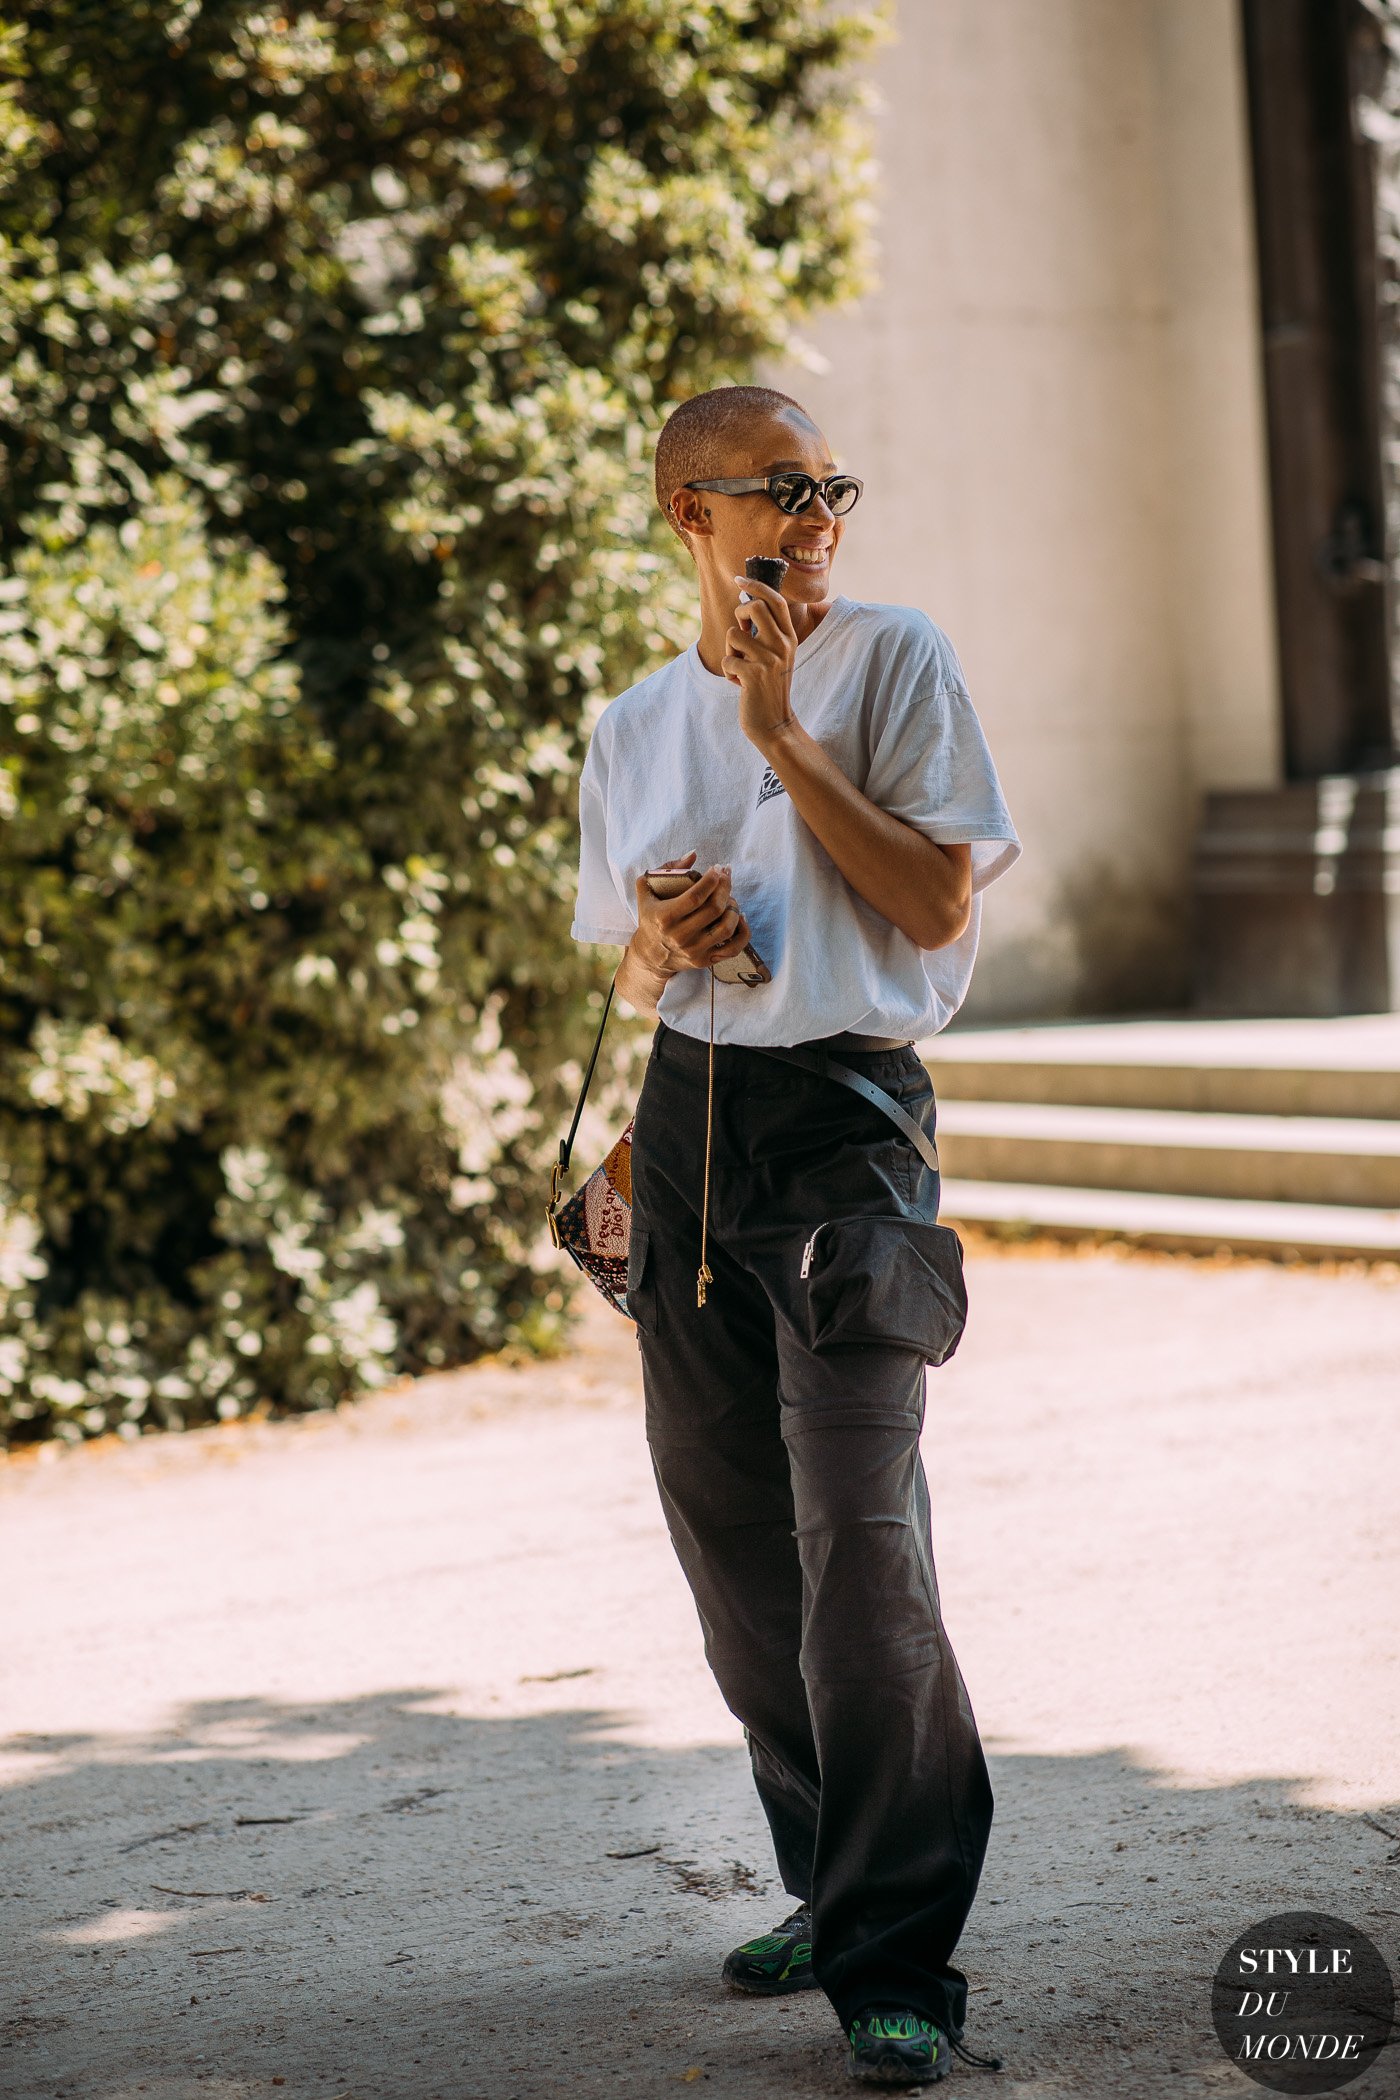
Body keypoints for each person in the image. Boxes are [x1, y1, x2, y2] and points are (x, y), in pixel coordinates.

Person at [569, 383, 1021, 2086]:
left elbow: (932, 905)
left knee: (864, 1550)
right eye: (780, 488)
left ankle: (897, 1956)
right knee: (738, 1554)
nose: (820, 512)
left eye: (835, 483)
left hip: (847, 1127)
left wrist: (783, 742)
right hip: (686, 1124)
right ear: (692, 515)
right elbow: (622, 966)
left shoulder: (892, 660)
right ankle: (830, 1888)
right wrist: (663, 938)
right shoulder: (625, 725)